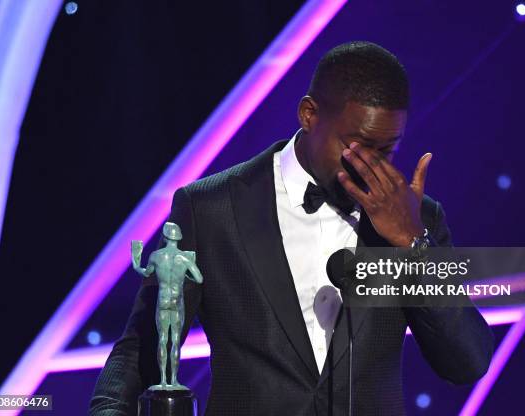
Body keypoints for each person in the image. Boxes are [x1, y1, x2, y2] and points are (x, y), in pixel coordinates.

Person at [89, 41, 493, 416]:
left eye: (386, 150)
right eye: (356, 146)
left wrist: (412, 245)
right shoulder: (209, 208)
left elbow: (466, 363)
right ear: (309, 114)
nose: (370, 166)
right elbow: (140, 350)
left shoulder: (417, 220)